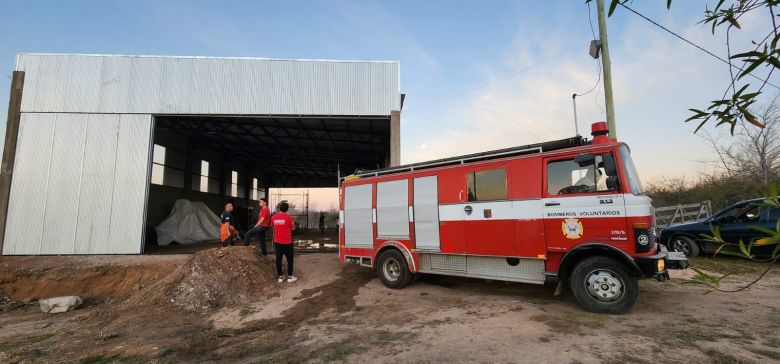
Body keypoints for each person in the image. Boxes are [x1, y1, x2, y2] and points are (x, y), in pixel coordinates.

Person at [272, 201, 297, 283]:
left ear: (279, 208)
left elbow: (273, 226)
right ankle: (290, 277)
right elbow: (293, 228)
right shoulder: (289, 218)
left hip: (277, 242)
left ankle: (280, 277)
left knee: (278, 259)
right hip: (287, 242)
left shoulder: (273, 217)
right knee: (290, 260)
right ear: (287, 209)